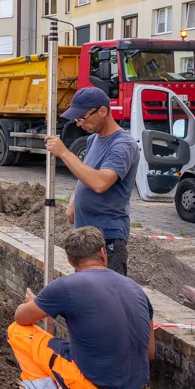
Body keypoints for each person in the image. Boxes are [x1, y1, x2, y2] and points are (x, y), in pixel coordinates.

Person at [7, 227, 154, 389]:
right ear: (103, 253)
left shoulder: (65, 287)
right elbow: (149, 352)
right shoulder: (137, 290)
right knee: (85, 360)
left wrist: (34, 303)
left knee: (17, 332)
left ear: (69, 260)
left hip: (97, 388)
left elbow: (21, 318)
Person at [44, 86, 139, 276]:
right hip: (85, 239)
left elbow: (100, 182)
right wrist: (74, 202)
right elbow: (87, 173)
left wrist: (64, 153)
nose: (79, 124)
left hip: (107, 241)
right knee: (86, 297)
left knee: (107, 299)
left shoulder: (122, 145)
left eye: (83, 118)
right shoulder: (93, 139)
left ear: (103, 111)